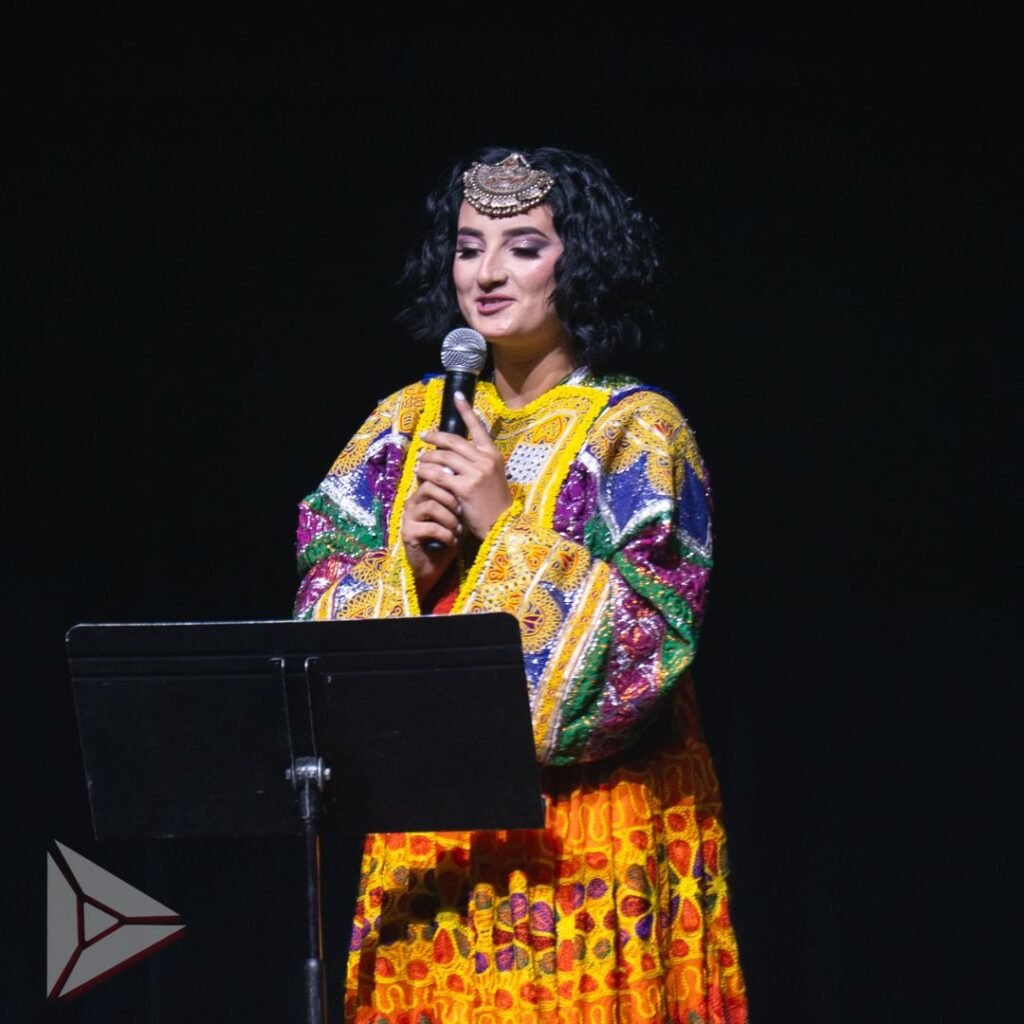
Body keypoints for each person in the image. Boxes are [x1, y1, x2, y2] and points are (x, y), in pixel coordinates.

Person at [294, 147, 748, 1024]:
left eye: (524, 247)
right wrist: (410, 570)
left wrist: (505, 525)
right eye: (469, 248)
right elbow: (320, 614)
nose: (487, 274)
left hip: (585, 835)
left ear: (582, 264)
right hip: (431, 826)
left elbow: (645, 653)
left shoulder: (637, 430)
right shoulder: (400, 426)